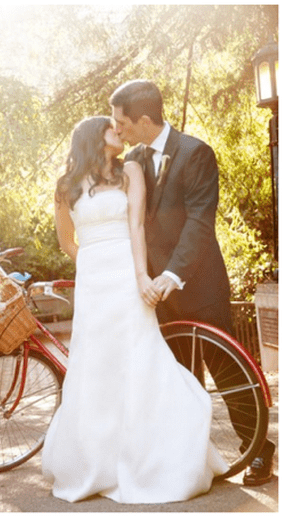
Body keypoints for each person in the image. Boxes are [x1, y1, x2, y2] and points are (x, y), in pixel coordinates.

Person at [42, 116, 228, 504]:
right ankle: (96, 462)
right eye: (112, 128)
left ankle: (159, 453)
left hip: (127, 272)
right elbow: (65, 241)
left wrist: (141, 275)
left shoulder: (129, 171)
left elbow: (137, 227)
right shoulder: (65, 186)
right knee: (96, 363)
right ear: (94, 138)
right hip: (94, 281)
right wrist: (91, 261)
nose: (119, 131)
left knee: (140, 356)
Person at [109, 79, 274, 486]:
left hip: (198, 286)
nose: (120, 130)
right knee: (177, 379)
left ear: (144, 119)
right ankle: (191, 458)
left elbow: (200, 222)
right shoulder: (132, 158)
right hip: (156, 297)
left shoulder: (195, 153)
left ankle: (258, 450)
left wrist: (171, 274)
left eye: (122, 122)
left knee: (228, 374)